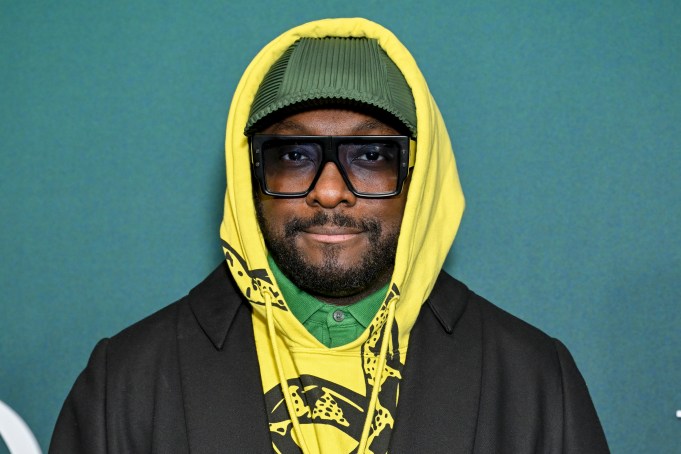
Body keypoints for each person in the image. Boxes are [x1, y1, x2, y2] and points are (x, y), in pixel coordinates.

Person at [50, 18, 609, 453]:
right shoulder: (125, 383)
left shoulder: (534, 381)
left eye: (370, 155)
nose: (331, 192)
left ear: (420, 176)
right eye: (294, 154)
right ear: (250, 179)